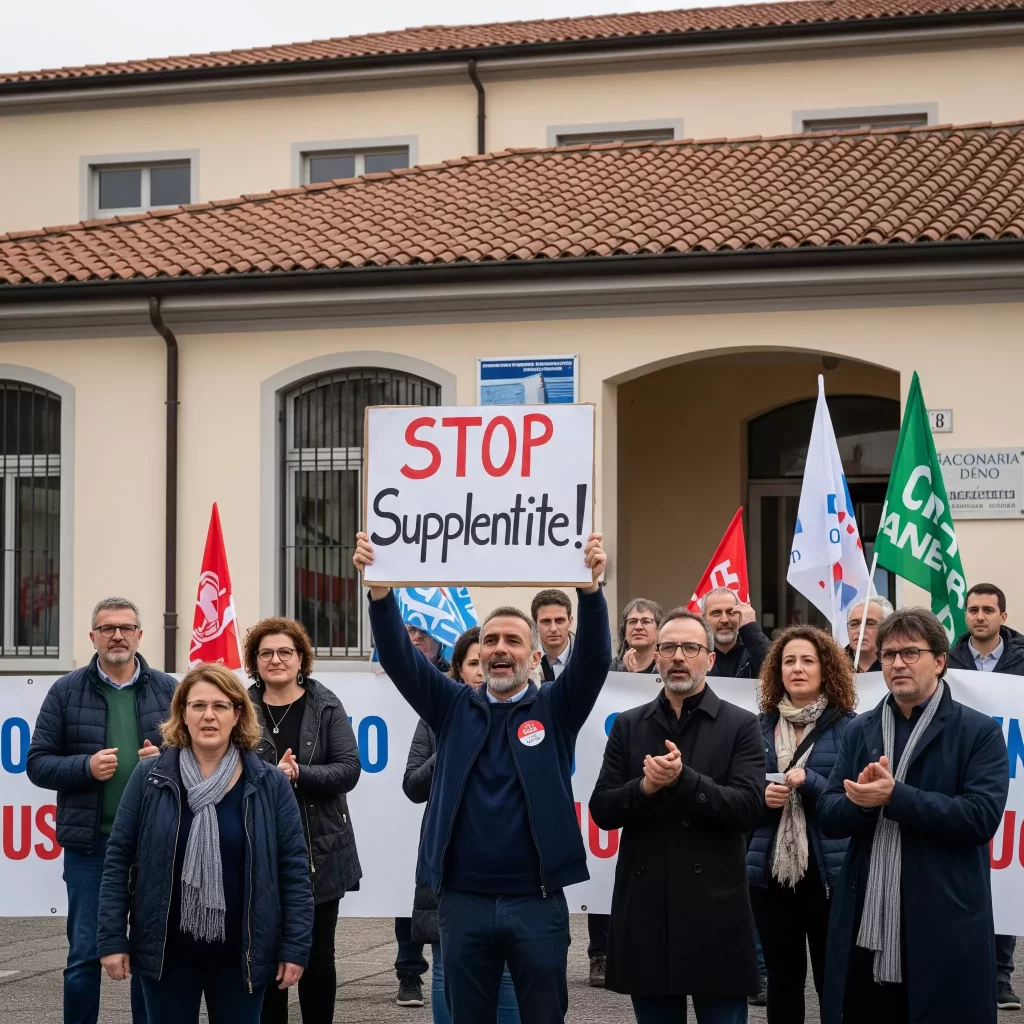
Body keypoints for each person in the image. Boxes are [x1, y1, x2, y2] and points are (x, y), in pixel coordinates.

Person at [354, 530, 611, 1024]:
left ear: (534, 657)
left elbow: (596, 659)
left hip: (537, 902)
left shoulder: (557, 709)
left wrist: (592, 591)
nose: (499, 649)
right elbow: (401, 659)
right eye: (490, 639)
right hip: (463, 902)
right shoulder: (451, 707)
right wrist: (381, 594)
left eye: (513, 640)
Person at [818, 607, 1009, 1024]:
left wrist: (895, 796)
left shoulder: (978, 732)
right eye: (888, 655)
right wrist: (861, 803)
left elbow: (980, 818)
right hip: (865, 920)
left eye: (910, 653)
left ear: (939, 661)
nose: (897, 664)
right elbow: (829, 815)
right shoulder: (860, 729)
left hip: (943, 916)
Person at [96, 663, 313, 1024]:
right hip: (167, 955)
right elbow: (118, 858)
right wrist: (112, 938)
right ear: (182, 713)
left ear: (238, 713)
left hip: (241, 956)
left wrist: (295, 946)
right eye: (198, 706)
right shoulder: (150, 777)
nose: (208, 716)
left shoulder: (269, 783)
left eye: (220, 706)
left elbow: (293, 870)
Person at [590, 606, 764, 1024]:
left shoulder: (741, 724)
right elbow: (603, 809)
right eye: (668, 647)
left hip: (715, 908)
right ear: (656, 656)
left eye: (690, 647)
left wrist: (686, 782)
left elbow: (748, 807)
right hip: (648, 907)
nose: (678, 656)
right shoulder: (630, 726)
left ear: (709, 657)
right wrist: (645, 788)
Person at [25, 597, 175, 1024]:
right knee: (85, 955)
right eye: (107, 628)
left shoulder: (169, 689)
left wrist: (163, 760)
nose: (117, 636)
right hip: (92, 847)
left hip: (155, 844)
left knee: (151, 956)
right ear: (92, 636)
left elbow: (197, 757)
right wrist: (85, 767)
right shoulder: (65, 691)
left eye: (126, 628)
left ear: (139, 636)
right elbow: (37, 763)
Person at [243, 616, 363, 1024]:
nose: (276, 660)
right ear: (255, 661)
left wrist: (299, 774)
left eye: (285, 652)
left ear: (300, 659)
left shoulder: (326, 705)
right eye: (266, 653)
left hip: (322, 851)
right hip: (258, 848)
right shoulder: (239, 707)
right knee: (266, 956)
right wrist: (266, 775)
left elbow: (348, 769)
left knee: (317, 958)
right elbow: (220, 770)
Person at [404, 627, 520, 1024]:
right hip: (448, 868)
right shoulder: (436, 719)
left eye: (483, 663)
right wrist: (451, 749)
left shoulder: (519, 716)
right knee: (445, 972)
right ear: (459, 670)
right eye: (471, 663)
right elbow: (413, 786)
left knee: (506, 977)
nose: (479, 671)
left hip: (505, 874)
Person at [746, 626, 857, 1023]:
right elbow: (739, 800)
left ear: (826, 669)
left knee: (836, 981)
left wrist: (811, 784)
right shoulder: (757, 728)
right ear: (777, 670)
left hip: (830, 877)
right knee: (782, 980)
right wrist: (762, 800)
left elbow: (854, 802)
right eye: (788, 660)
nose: (797, 668)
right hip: (771, 877)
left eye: (808, 660)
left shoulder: (851, 728)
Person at [947, 582, 1024, 1011]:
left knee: (1005, 875)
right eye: (973, 609)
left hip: (1013, 776)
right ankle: (962, 970)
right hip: (960, 774)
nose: (979, 616)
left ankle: (999, 976)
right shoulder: (947, 661)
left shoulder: (1023, 660)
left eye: (988, 610)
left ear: (1003, 617)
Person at [395, 621, 449, 1005]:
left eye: (425, 630)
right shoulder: (434, 717)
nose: (416, 637)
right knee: (408, 900)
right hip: (436, 838)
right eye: (409, 629)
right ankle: (409, 970)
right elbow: (414, 784)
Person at [702, 587, 770, 679]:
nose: (724, 620)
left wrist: (752, 630)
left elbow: (777, 669)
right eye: (716, 613)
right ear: (704, 618)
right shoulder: (695, 654)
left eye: (731, 612)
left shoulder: (754, 649)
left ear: (740, 615)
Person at [610, 598, 664, 674]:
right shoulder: (612, 668)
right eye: (632, 622)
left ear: (658, 629)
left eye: (646, 621)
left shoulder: (667, 667)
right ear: (625, 630)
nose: (638, 627)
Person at [531, 588, 574, 680]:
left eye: (560, 620)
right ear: (535, 624)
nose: (553, 628)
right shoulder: (524, 661)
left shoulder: (589, 656)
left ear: (570, 622)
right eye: (546, 621)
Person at [845, 597, 893, 673]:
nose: (860, 630)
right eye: (854, 624)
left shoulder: (897, 664)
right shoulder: (831, 664)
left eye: (870, 623)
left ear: (886, 628)